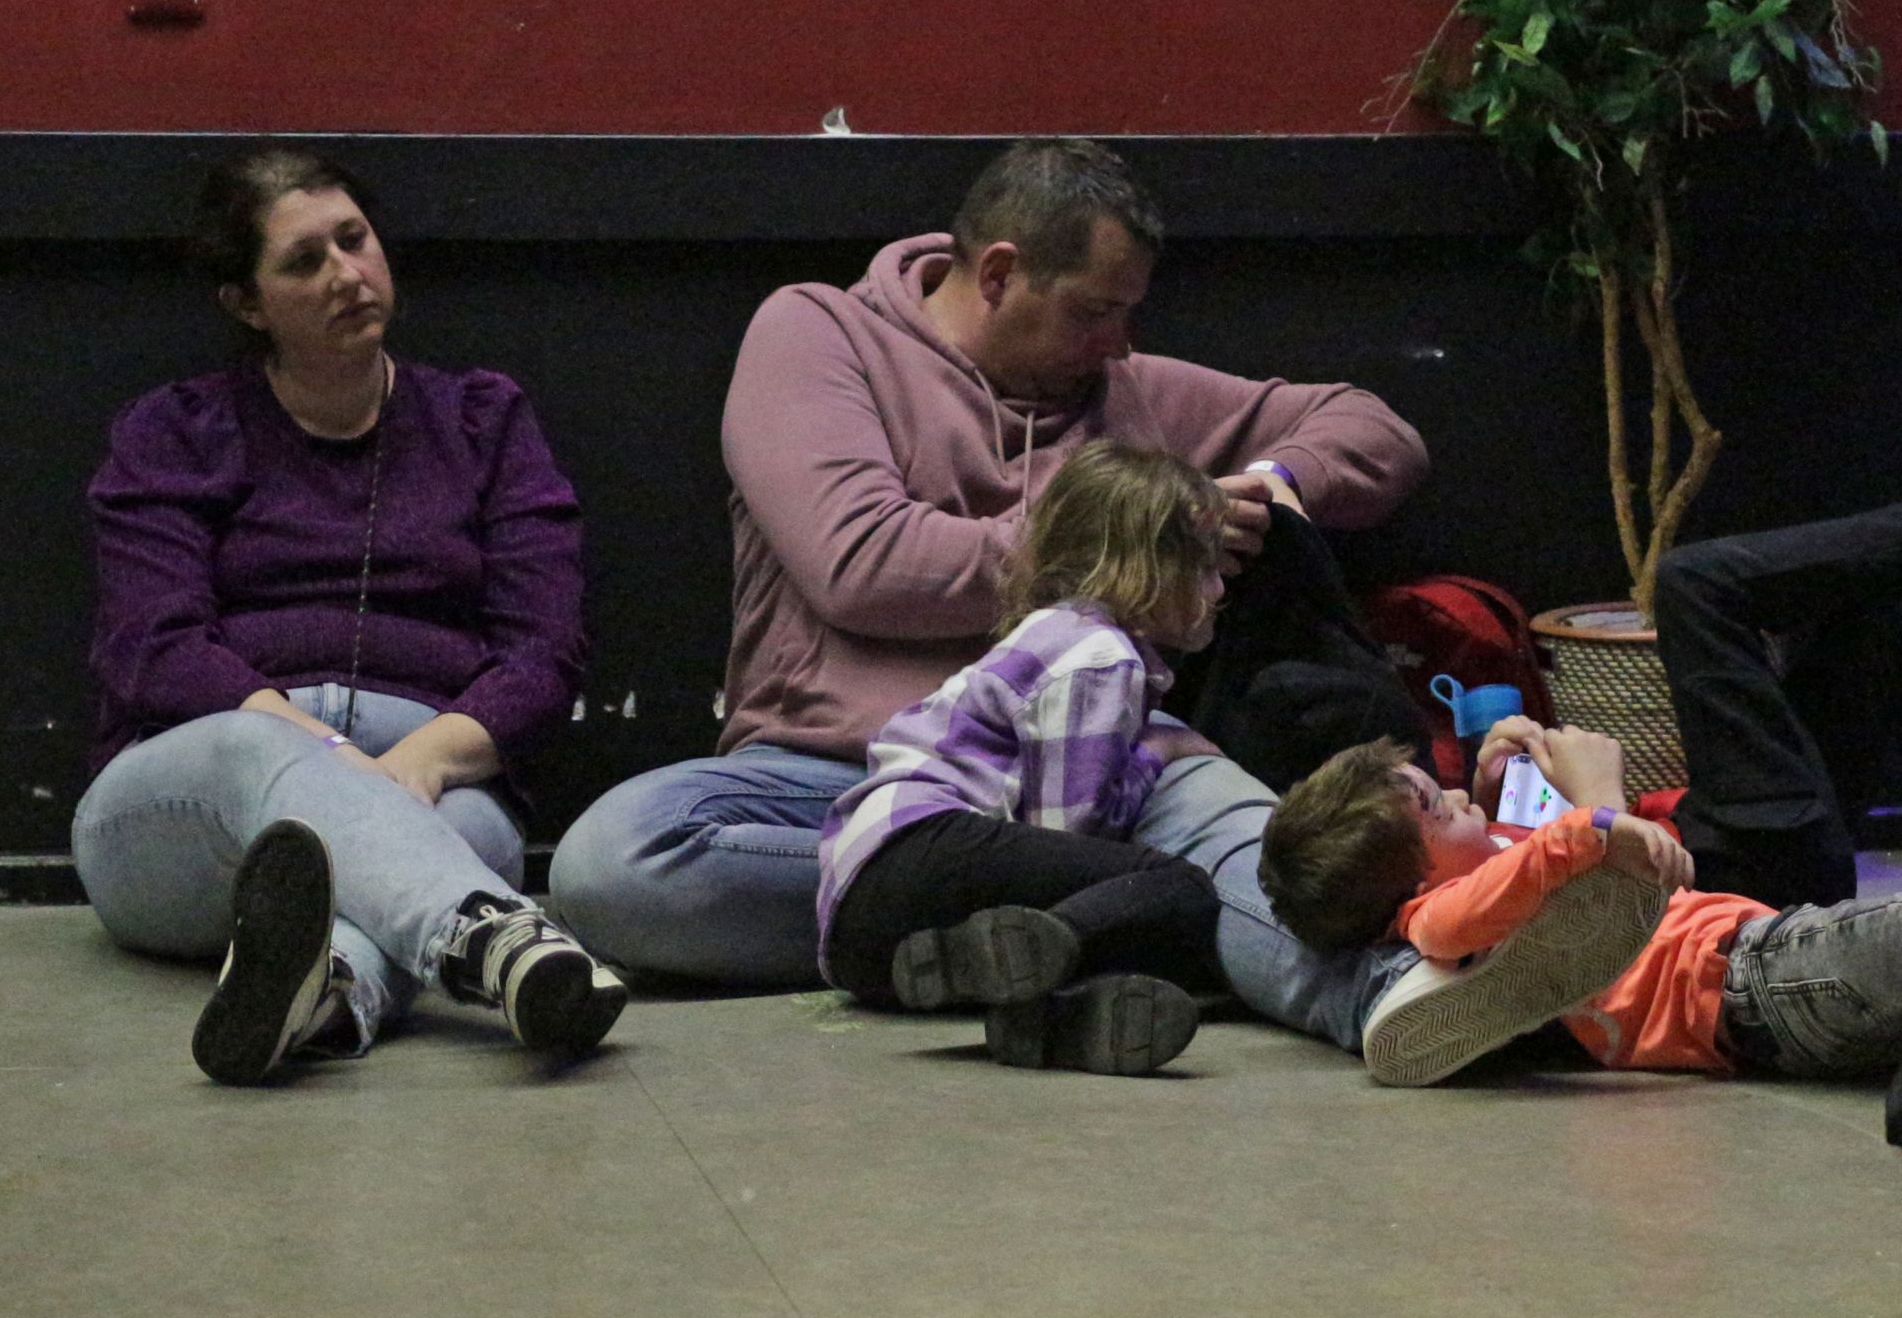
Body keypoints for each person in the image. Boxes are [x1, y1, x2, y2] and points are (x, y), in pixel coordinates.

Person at [552, 136, 1626, 1079]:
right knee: (611, 862)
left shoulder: (1129, 390)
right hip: (846, 770)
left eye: (1128, 313)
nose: (1117, 342)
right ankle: (1091, 928)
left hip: (1111, 760)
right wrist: (1133, 535)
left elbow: (1376, 432)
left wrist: (1271, 485)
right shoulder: (819, 334)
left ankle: (1406, 1001)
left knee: (1255, 846)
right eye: (1093, 311)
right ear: (1000, 272)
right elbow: (859, 560)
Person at [73, 143, 626, 1085]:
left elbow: (543, 649)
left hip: (431, 761)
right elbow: (152, 644)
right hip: (195, 796)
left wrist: (423, 763)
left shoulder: (482, 420)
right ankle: (492, 938)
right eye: (304, 261)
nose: (346, 273)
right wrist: (332, 763)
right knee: (265, 758)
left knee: (472, 826)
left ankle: (329, 995)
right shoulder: (175, 430)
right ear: (247, 303)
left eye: (354, 239)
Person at [820, 442, 1230, 1076]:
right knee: (1182, 890)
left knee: (1125, 915)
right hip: (925, 852)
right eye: (1204, 566)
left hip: (867, 942)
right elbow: (1070, 827)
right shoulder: (1098, 655)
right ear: (1145, 568)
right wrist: (1160, 750)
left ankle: (1038, 1016)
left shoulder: (1049, 630)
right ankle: (1040, 948)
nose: (1219, 588)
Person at [1259, 718, 1902, 1087]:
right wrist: (1599, 811)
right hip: (1740, 979)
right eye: (1438, 808)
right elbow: (1481, 904)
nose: (1455, 798)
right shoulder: (1432, 918)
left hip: (1762, 969)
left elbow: (1509, 870)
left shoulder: (1469, 873)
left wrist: (1492, 791)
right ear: (1416, 886)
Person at [1653, 510, 1902, 910]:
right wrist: (1602, 810)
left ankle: (1791, 848)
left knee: (1871, 597)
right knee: (1693, 580)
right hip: (1761, 862)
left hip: (1751, 854)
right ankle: (1790, 849)